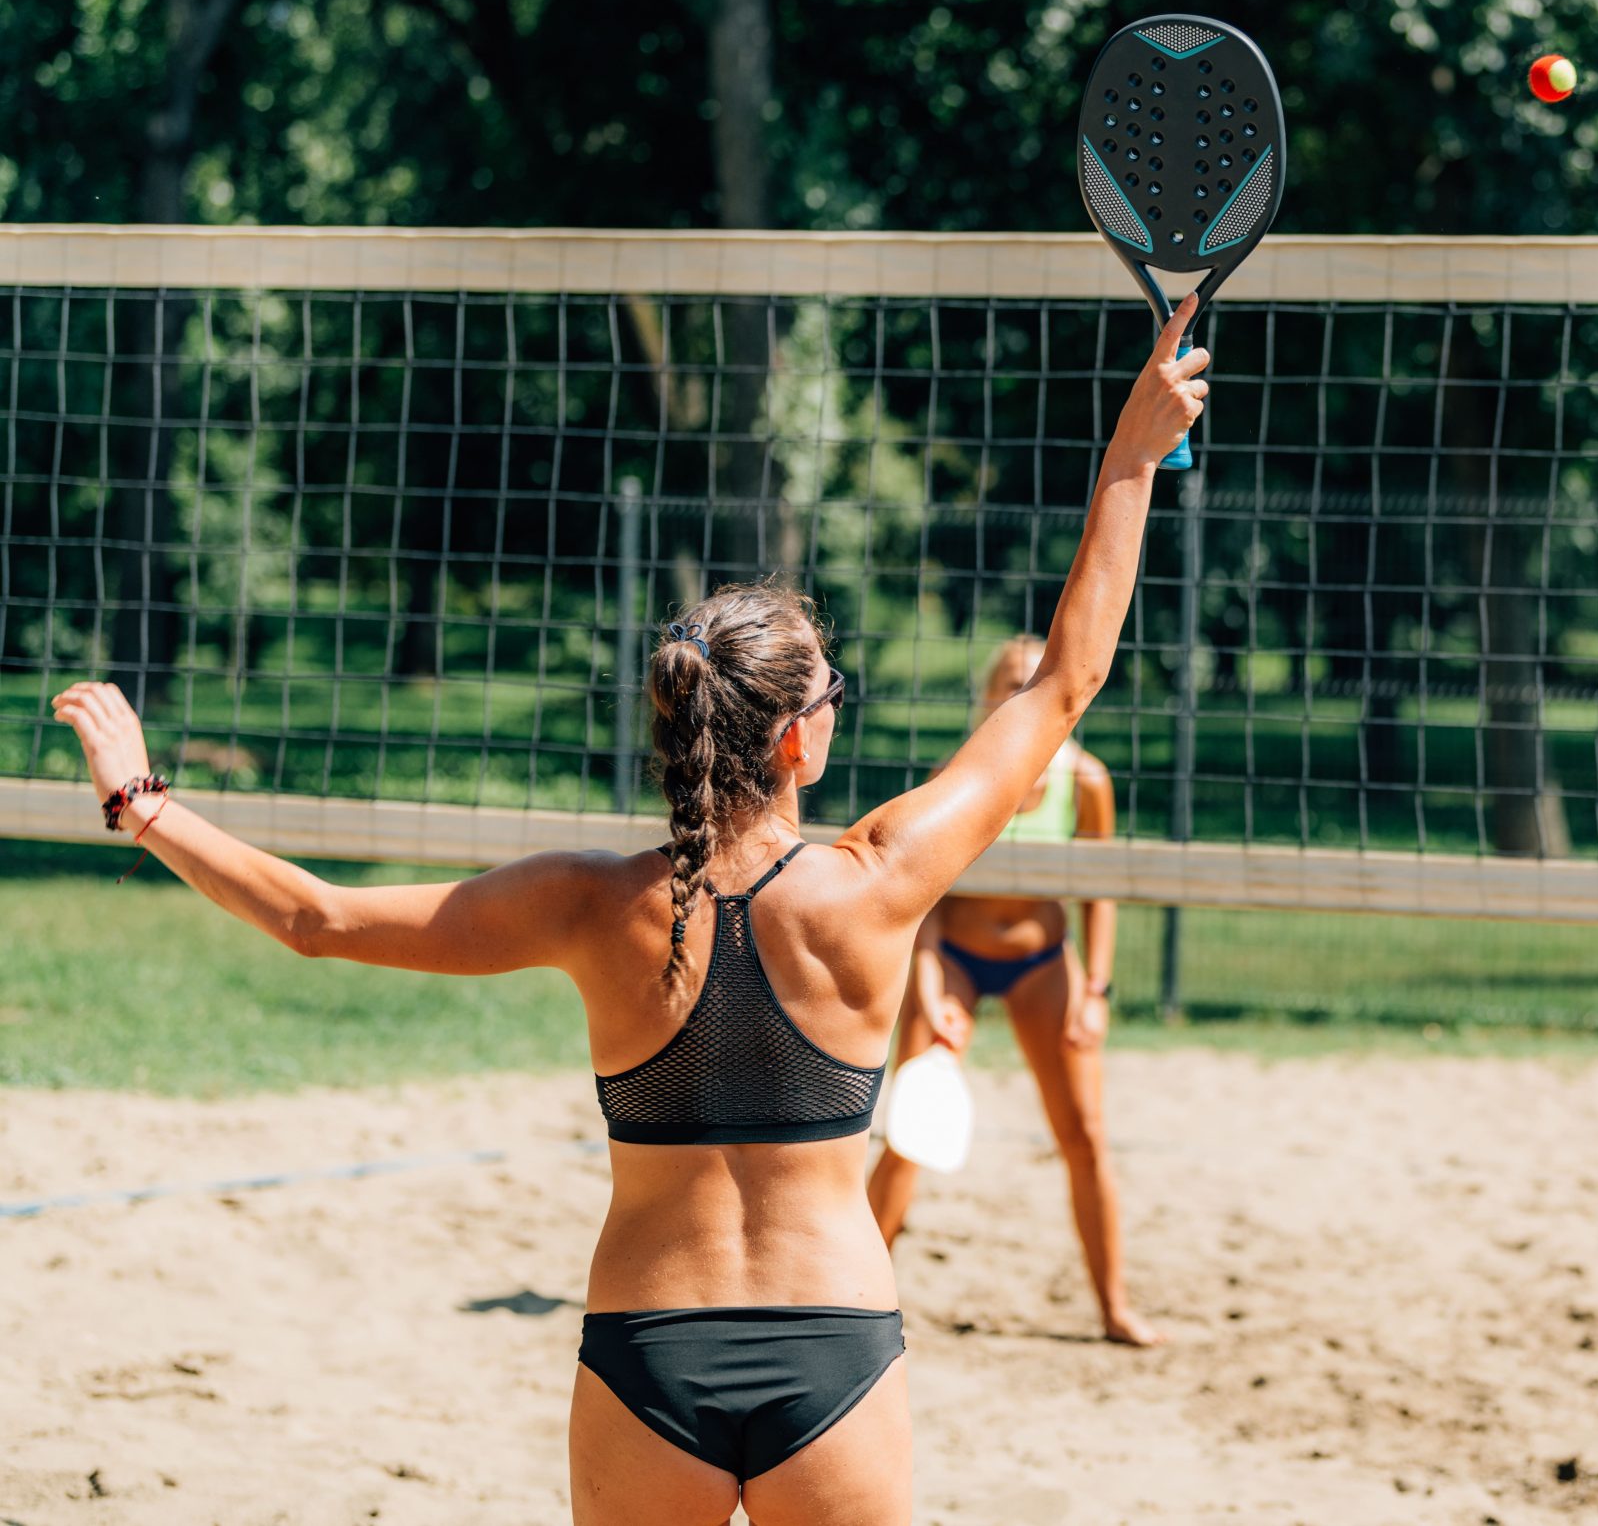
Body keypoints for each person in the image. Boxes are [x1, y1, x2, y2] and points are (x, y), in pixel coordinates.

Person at [45, 298, 1210, 1525]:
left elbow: (317, 918)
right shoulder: (876, 883)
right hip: (833, 1353)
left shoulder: (591, 905)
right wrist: (1131, 452)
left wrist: (142, 801)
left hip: (650, 1350)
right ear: (803, 738)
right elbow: (1068, 681)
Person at [865, 635, 1154, 1346]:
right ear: (987, 698)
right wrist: (929, 990)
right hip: (954, 955)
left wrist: (1097, 985)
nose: (1022, 697)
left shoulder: (1086, 780)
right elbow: (918, 900)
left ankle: (1114, 1307)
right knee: (913, 1128)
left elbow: (1102, 892)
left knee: (1084, 1134)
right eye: (1008, 685)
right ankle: (856, 1299)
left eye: (1035, 684)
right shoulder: (957, 776)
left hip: (1043, 960)